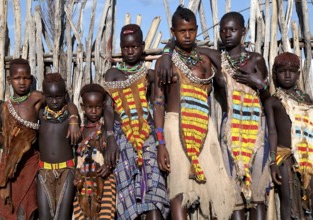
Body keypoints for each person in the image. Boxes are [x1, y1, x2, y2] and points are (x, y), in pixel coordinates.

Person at [157, 11, 270, 220]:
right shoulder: (198, 59)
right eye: (223, 30)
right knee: (198, 189)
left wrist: (260, 84)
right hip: (201, 129)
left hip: (237, 130)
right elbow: (158, 102)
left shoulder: (243, 59)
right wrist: (166, 51)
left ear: (243, 32)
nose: (228, 34)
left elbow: (267, 97)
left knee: (241, 193)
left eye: (233, 29)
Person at [154, 5, 235, 219]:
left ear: (197, 29)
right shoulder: (165, 64)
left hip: (204, 129)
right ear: (173, 32)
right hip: (174, 127)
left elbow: (225, 66)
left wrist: (174, 49)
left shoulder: (205, 61)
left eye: (191, 30)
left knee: (212, 188)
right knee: (179, 188)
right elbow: (158, 104)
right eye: (182, 31)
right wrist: (161, 143)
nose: (187, 35)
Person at [0, 59, 80, 220]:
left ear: (31, 79)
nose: (22, 82)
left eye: (26, 78)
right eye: (17, 78)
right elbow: (5, 142)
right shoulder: (6, 109)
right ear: (9, 80)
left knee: (27, 210)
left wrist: (74, 118)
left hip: (31, 164)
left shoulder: (38, 99)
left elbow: (66, 103)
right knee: (11, 209)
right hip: (11, 165)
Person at [103, 24, 170, 220]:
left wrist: (159, 142)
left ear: (142, 47)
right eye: (125, 47)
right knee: (128, 193)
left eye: (134, 47)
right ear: (120, 48)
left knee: (153, 193)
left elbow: (157, 106)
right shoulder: (112, 74)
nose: (130, 51)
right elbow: (108, 108)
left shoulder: (149, 75)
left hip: (147, 137)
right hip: (122, 138)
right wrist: (111, 139)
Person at [264, 52, 313, 219]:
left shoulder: (307, 100)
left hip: (308, 157)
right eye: (282, 71)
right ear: (275, 74)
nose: (287, 75)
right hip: (285, 157)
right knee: (288, 200)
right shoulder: (273, 101)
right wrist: (272, 163)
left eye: (291, 71)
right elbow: (272, 131)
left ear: (298, 74)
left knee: (308, 199)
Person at [37, 73, 80, 219]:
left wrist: (74, 119)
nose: (54, 101)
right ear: (44, 96)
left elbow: (72, 106)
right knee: (44, 216)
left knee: (63, 216)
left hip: (66, 171)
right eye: (50, 97)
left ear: (65, 95)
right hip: (44, 171)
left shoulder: (69, 116)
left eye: (59, 97)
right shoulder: (40, 115)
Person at [72, 83, 116, 220]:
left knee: (105, 216)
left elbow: (113, 153)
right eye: (89, 107)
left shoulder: (106, 131)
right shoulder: (79, 131)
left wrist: (108, 166)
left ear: (103, 106)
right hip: (82, 182)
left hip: (105, 181)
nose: (93, 111)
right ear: (82, 107)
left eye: (97, 107)